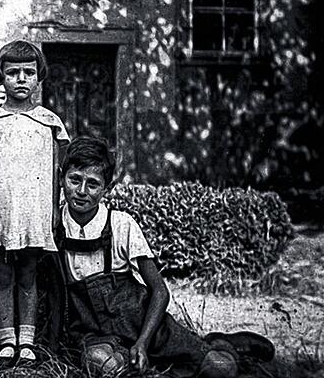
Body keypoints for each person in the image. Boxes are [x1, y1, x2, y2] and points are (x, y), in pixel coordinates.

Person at [57, 136, 275, 377]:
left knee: (222, 369)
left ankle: (223, 344)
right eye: (75, 180)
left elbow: (160, 291)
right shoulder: (55, 225)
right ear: (61, 178)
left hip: (143, 324)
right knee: (104, 365)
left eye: (93, 184)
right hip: (95, 333)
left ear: (107, 189)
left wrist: (142, 342)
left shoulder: (120, 224)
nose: (81, 191)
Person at [0, 40, 70, 364]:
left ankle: (27, 340)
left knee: (27, 273)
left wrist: (54, 208)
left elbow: (54, 170)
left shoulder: (48, 122)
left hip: (32, 209)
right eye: (13, 73)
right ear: (1, 77)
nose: (21, 79)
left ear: (39, 77)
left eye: (28, 72)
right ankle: (6, 339)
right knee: (1, 272)